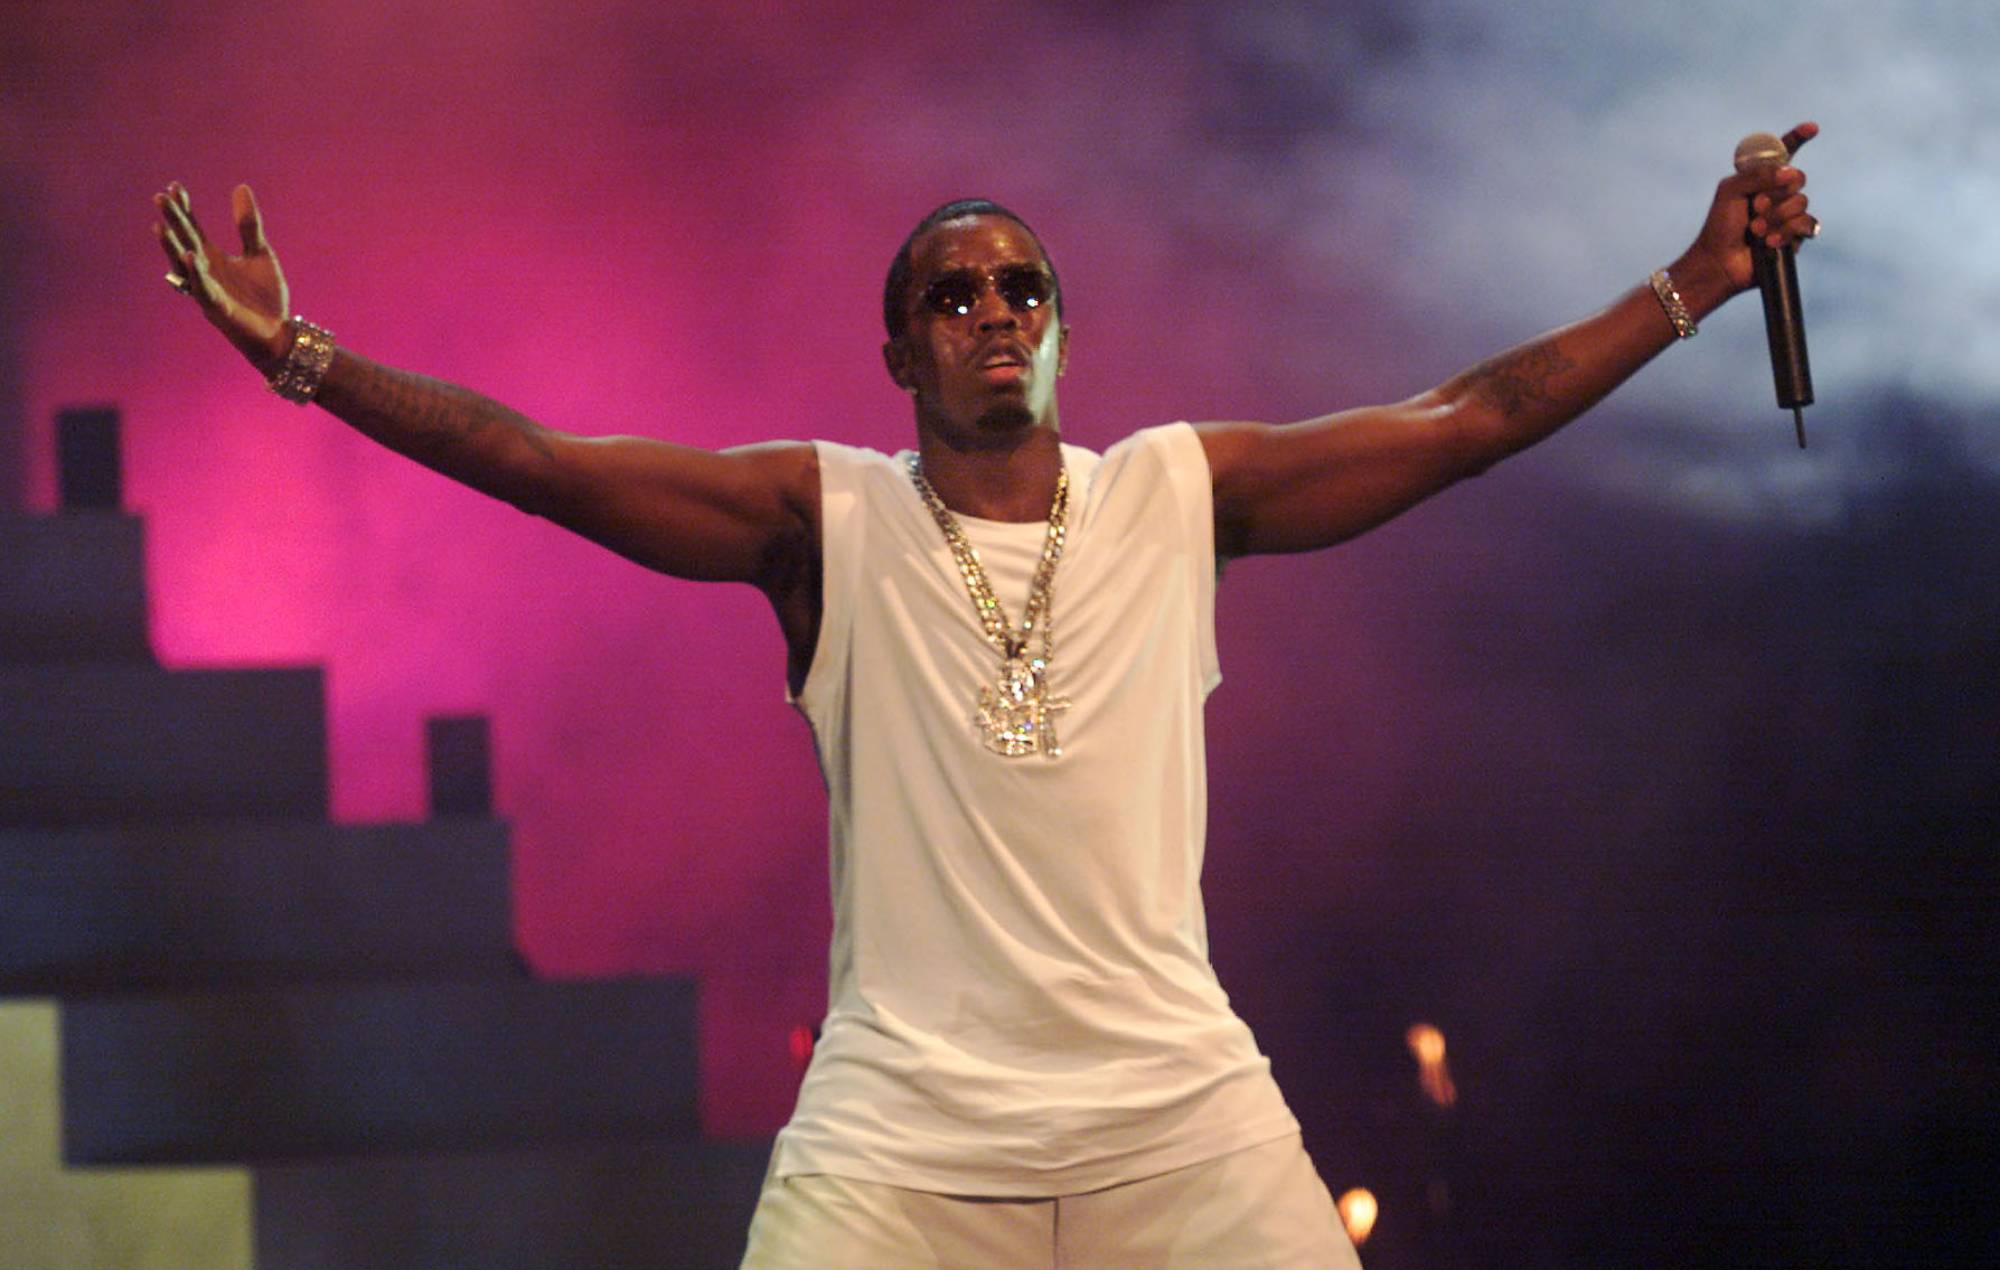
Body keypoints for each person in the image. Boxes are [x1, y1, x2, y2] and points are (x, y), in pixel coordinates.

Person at [153, 123, 1818, 1267]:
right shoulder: (826, 518)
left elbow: (1469, 414)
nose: (993, 314)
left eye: (1022, 288)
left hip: (1175, 1106)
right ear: (899, 355)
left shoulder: (1181, 492)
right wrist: (307, 357)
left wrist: (1694, 280)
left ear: (1064, 335)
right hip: (902, 1125)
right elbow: (536, 464)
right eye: (952, 296)